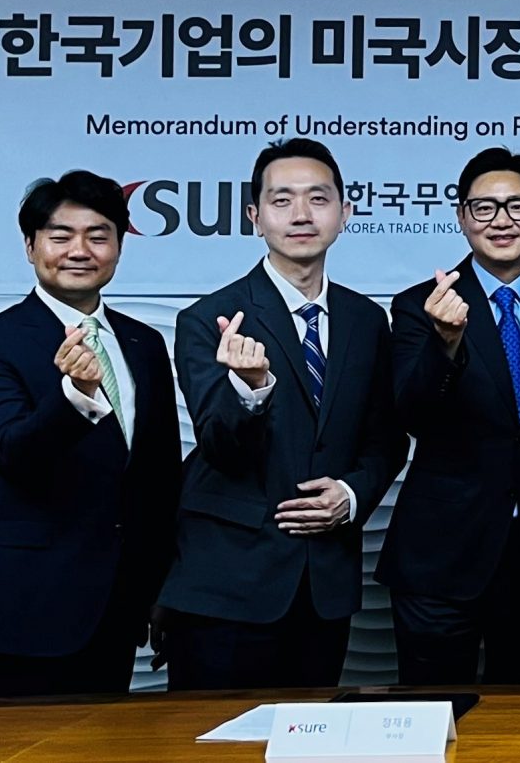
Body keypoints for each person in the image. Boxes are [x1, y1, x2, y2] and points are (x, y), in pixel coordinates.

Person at [159, 138, 406, 690]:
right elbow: (219, 446)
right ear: (254, 217)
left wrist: (351, 494)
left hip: (324, 585)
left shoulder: (367, 320)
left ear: (345, 213)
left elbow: (387, 440)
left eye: (318, 199)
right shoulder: (210, 318)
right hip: (228, 584)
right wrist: (250, 390)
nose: (301, 214)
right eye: (281, 200)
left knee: (313, 731)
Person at [0, 172, 180, 697]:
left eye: (98, 236)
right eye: (60, 236)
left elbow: (158, 476)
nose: (80, 250)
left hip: (120, 606)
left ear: (119, 247)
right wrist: (74, 397)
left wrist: (164, 587)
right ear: (31, 246)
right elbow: (12, 454)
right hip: (23, 608)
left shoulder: (143, 343)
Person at [379, 148, 520, 686]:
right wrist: (445, 343)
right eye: (484, 207)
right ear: (461, 216)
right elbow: (411, 413)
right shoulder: (419, 305)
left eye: (518, 206)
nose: (501, 221)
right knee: (427, 711)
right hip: (439, 553)